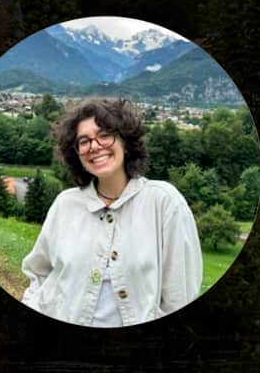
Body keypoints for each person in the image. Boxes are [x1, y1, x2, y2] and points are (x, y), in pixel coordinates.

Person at [21, 98, 202, 327]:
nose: (94, 146)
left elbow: (180, 296)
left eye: (105, 134)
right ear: (77, 153)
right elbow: (38, 273)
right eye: (83, 141)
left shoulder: (164, 203)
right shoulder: (64, 205)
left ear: (125, 142)